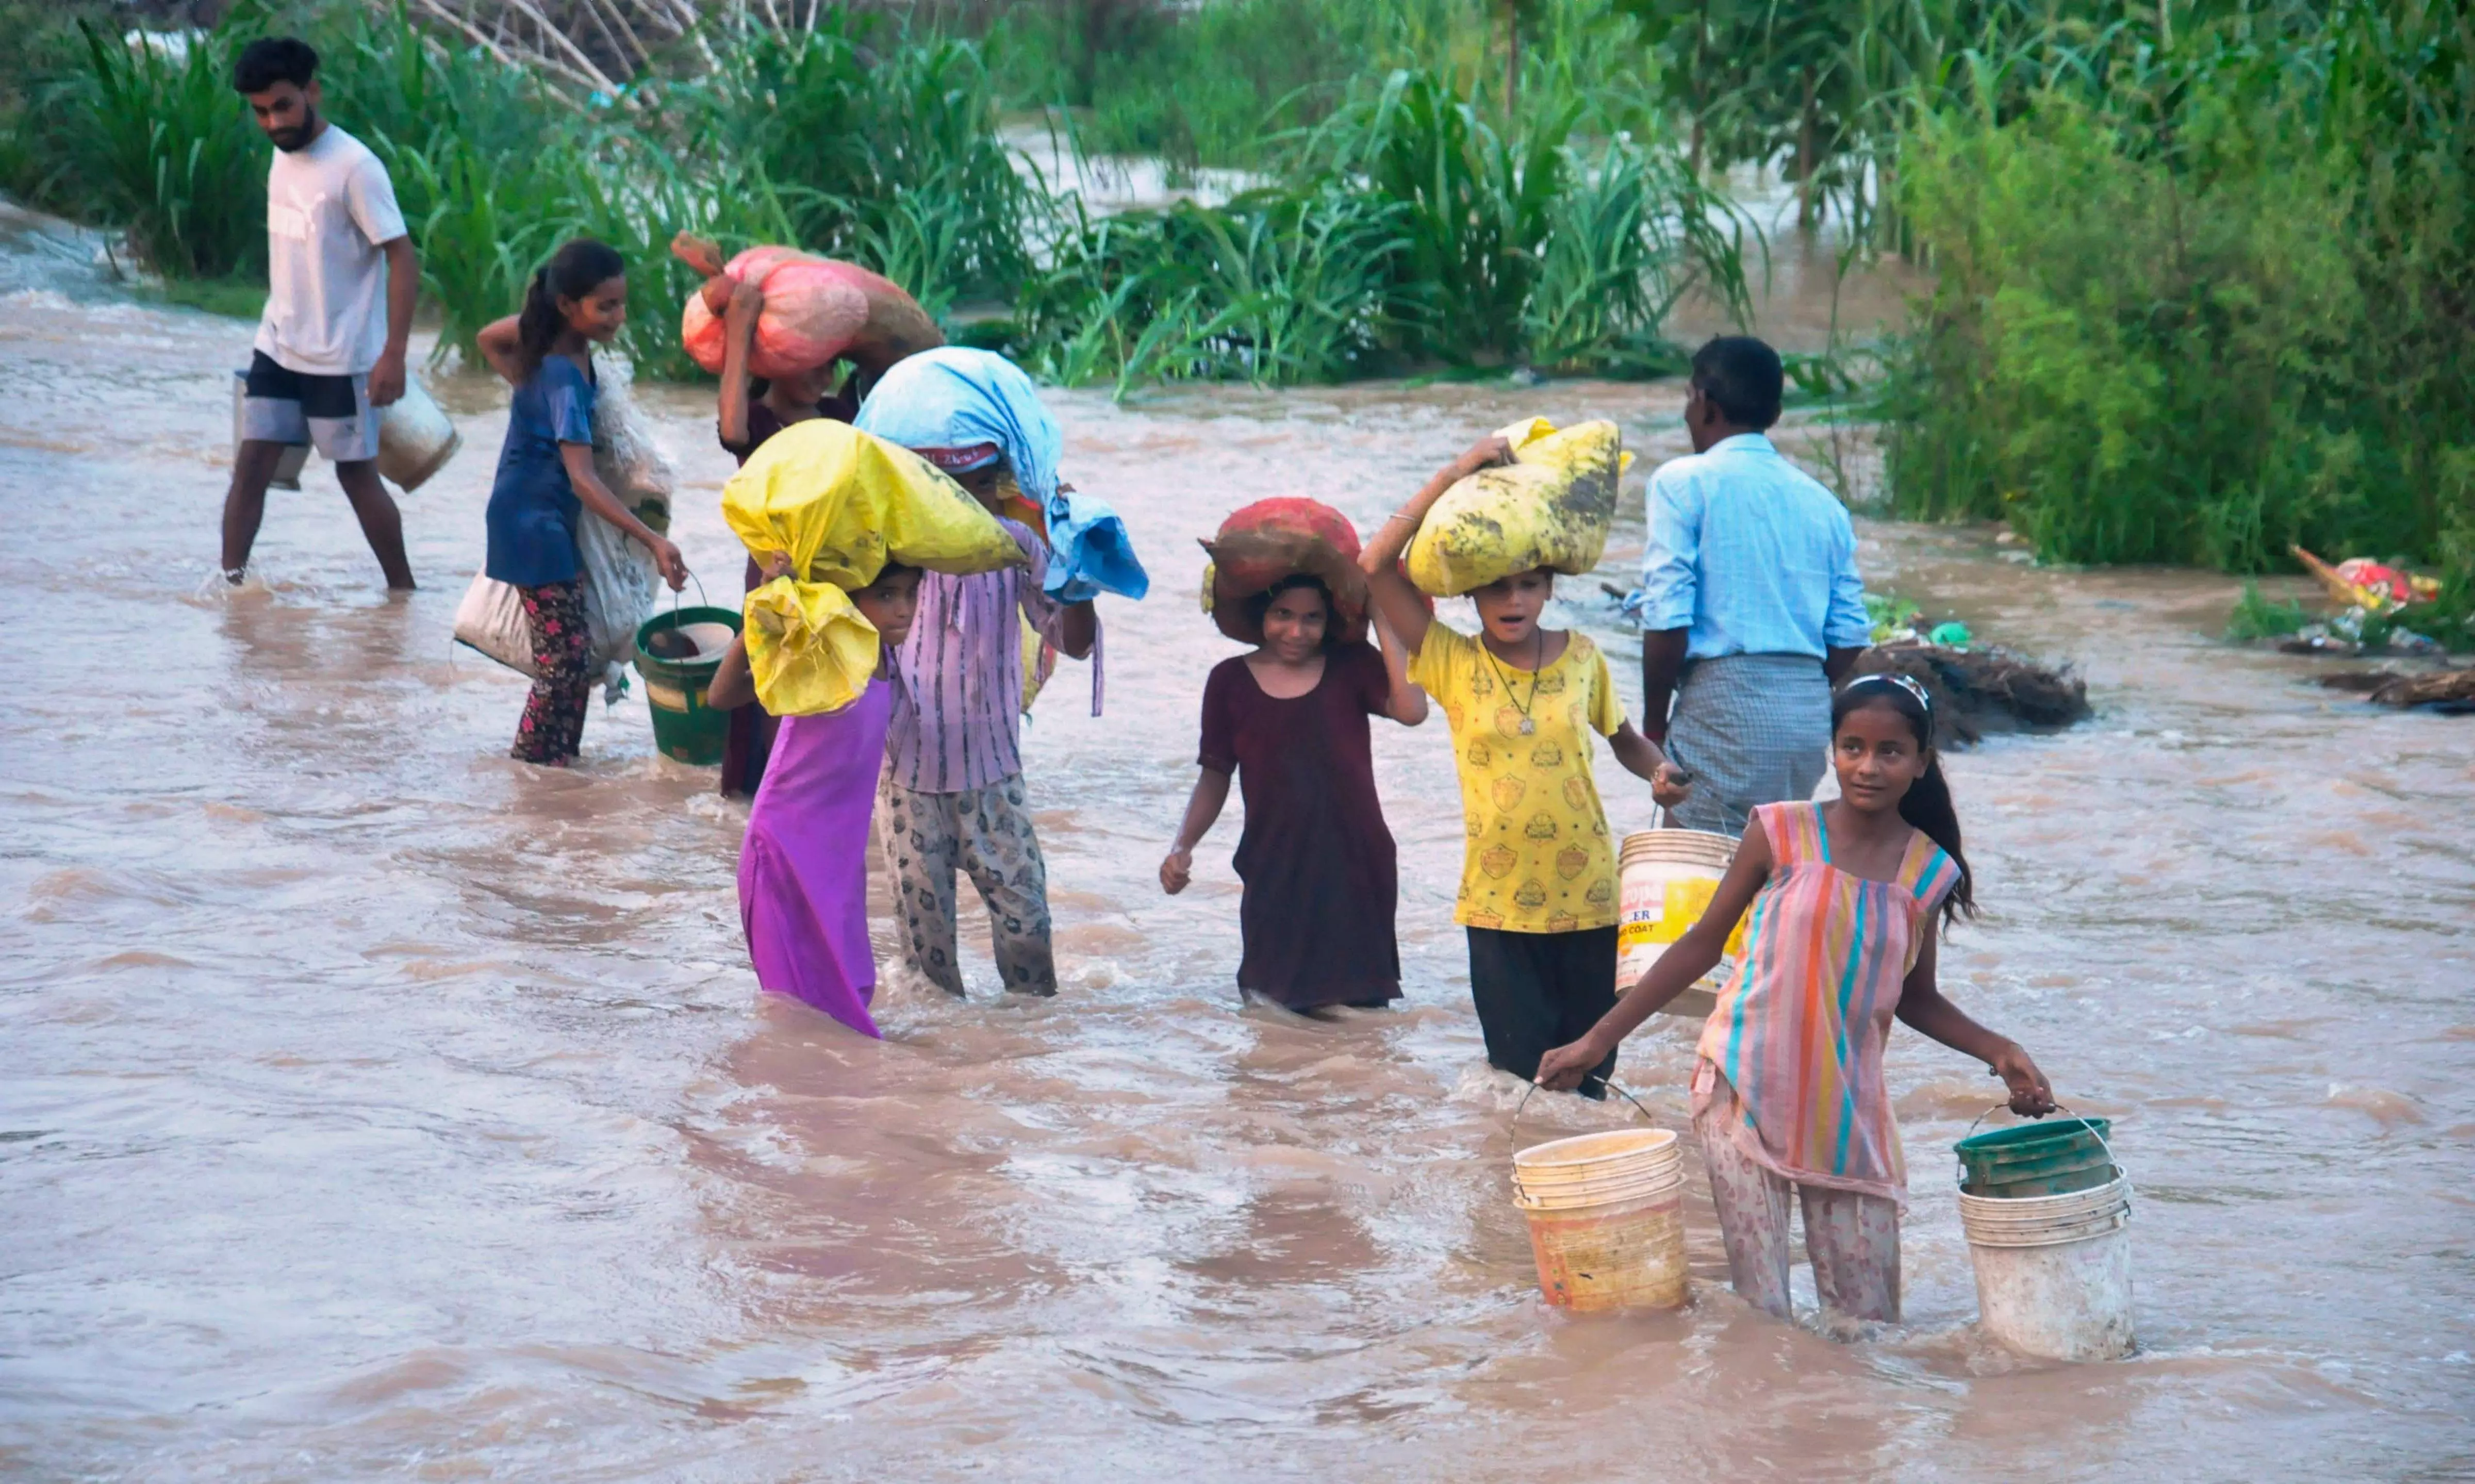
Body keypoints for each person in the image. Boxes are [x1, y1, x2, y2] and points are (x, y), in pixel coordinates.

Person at [1538, 673, 2056, 1324]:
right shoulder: (1779, 831)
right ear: (1831, 750)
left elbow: (1916, 999)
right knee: (1763, 1313)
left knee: (1866, 1325)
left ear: (1922, 762)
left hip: (1846, 1109)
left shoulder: (1928, 871)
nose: (1868, 766)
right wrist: (1596, 1040)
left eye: (1890, 752)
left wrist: (2000, 1050)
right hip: (1739, 1083)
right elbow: (1701, 946)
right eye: (1852, 747)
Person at [1361, 435, 1690, 1096]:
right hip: (1497, 907)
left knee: (1591, 1081)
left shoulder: (1585, 657)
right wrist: (1455, 471)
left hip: (1593, 900)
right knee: (1519, 1086)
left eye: (1529, 585)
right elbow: (1373, 566)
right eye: (1497, 588)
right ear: (1471, 598)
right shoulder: (1452, 661)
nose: (1514, 601)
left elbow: (1625, 739)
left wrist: (1661, 771)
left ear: (1549, 587)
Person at [854, 350, 1097, 1000]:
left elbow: (1074, 645)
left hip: (994, 778)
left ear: (998, 486)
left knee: (1028, 939)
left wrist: (1080, 580)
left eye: (976, 487)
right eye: (943, 489)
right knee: (926, 965)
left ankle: (1022, 1064)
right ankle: (941, 1091)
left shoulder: (1019, 550)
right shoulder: (887, 558)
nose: (961, 504)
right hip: (907, 780)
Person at [706, 259, 942, 797]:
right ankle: (776, 806)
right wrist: (743, 325)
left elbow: (902, 366)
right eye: (808, 358)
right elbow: (731, 427)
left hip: (849, 581)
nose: (823, 372)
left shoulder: (842, 413)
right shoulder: (762, 424)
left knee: (846, 699)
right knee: (779, 701)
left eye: (830, 360)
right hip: (779, 577)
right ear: (776, 358)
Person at [1635, 336, 1871, 836]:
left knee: (1692, 867)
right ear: (1777, 412)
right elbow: (1850, 632)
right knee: (1773, 865)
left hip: (1724, 707)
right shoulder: (1822, 501)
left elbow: (1668, 617)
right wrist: (1793, 686)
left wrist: (1655, 727)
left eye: (1688, 399)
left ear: (1704, 403)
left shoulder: (1682, 482)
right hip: (1806, 715)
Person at [1160, 573, 1427, 1012]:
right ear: (1260, 613)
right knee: (1270, 1009)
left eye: (1312, 618)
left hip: (1356, 864)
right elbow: (1215, 775)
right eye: (1283, 614)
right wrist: (1182, 847)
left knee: (1362, 1016)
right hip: (1273, 863)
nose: (1297, 631)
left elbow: (1412, 710)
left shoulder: (1352, 665)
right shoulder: (1229, 681)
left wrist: (1379, 607)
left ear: (1332, 621)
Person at [473, 240, 687, 766]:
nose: (619, 316)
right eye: (606, 306)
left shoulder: (556, 357)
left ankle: (560, 766)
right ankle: (527, 765)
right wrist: (654, 541)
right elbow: (584, 479)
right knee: (564, 664)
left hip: (536, 516)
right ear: (568, 306)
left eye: (621, 303)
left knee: (571, 657)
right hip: (533, 523)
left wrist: (537, 333)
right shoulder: (564, 377)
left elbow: (490, 338)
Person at [222, 36, 419, 589]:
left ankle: (402, 594)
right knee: (253, 466)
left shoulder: (355, 168)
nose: (271, 122)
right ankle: (230, 591)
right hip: (278, 344)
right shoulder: (281, 159)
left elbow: (402, 256)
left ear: (313, 91)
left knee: (356, 476)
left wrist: (393, 355)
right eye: (260, 111)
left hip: (342, 356)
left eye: (282, 106)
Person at [708, 557, 923, 1038]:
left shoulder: (889, 659)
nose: (903, 610)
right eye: (886, 596)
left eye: (911, 594)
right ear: (848, 600)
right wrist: (758, 616)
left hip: (837, 866)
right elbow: (722, 697)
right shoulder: (822, 656)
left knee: (848, 1004)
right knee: (794, 1014)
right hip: (782, 853)